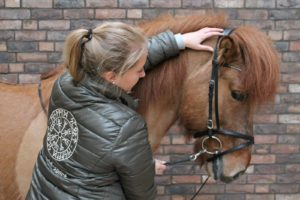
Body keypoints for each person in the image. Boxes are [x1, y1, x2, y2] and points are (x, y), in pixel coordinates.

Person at [26, 22, 223, 200]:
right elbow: (142, 196)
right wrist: (142, 168)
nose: (144, 73)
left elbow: (90, 157)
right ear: (112, 76)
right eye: (138, 71)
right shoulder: (125, 126)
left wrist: (178, 41)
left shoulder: (66, 83)